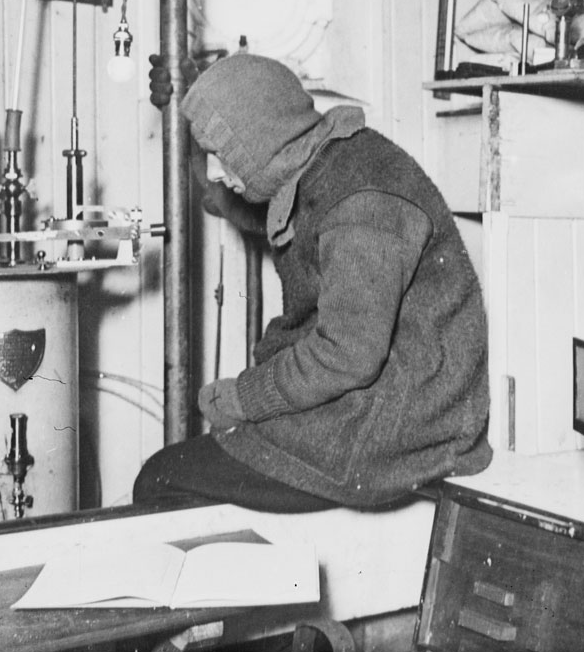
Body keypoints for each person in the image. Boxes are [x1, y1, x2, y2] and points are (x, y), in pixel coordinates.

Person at [133, 53, 491, 511]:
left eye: (222, 156)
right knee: (190, 462)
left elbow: (346, 356)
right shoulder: (324, 159)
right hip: (377, 403)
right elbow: (238, 203)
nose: (218, 171)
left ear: (263, 140)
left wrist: (244, 397)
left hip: (400, 427)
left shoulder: (364, 206)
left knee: (160, 480)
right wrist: (187, 115)